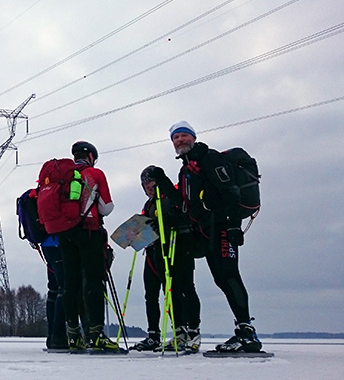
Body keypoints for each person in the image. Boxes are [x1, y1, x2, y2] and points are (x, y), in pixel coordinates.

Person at [152, 121, 261, 353]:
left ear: (193, 137)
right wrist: (161, 180)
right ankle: (244, 332)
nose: (179, 141)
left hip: (221, 227)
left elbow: (229, 189)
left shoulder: (208, 158)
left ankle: (247, 334)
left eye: (183, 136)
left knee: (228, 276)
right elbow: (183, 204)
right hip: (205, 232)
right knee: (221, 278)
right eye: (175, 138)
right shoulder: (186, 169)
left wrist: (233, 227)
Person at [133, 166, 202, 352]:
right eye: (144, 184)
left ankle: (193, 331)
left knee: (184, 288)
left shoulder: (173, 195)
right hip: (155, 250)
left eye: (150, 182)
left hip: (179, 246)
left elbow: (187, 213)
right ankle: (171, 332)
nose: (148, 186)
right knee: (159, 293)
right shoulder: (150, 204)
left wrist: (171, 220)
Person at [59, 141, 118, 352]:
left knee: (70, 284)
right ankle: (96, 334)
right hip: (89, 232)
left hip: (65, 235)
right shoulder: (94, 173)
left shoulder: (63, 175)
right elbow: (107, 207)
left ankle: (73, 335)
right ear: (91, 156)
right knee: (93, 282)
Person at [40, 235, 68, 350]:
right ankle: (58, 335)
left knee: (54, 290)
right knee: (64, 288)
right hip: (58, 242)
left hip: (46, 243)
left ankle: (52, 336)